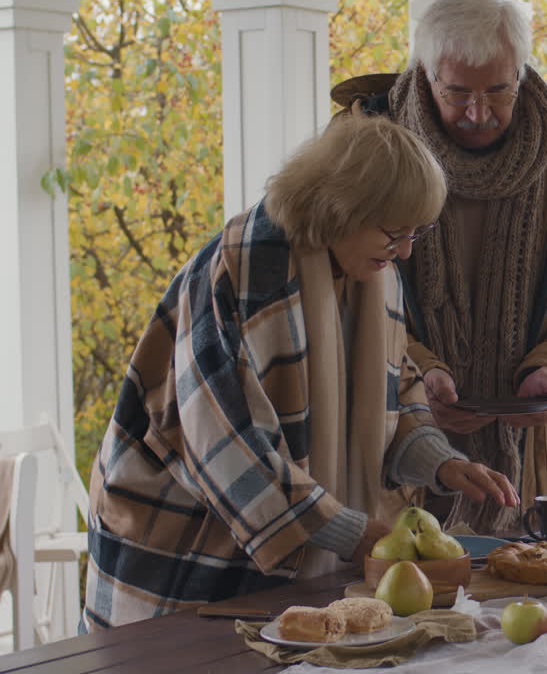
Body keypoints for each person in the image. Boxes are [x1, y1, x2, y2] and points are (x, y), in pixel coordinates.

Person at [81, 115, 517, 630]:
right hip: (183, 548)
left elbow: (394, 391)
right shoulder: (241, 271)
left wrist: (442, 463)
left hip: (285, 555)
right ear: (340, 207)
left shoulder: (376, 273)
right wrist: (353, 535)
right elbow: (226, 445)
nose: (405, 252)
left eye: (417, 233)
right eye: (394, 233)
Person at [331, 0, 547, 534]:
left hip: (529, 458)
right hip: (394, 453)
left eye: (498, 90)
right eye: (457, 92)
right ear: (425, 75)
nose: (478, 112)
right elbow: (339, 292)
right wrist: (420, 375)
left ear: (521, 72)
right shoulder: (363, 147)